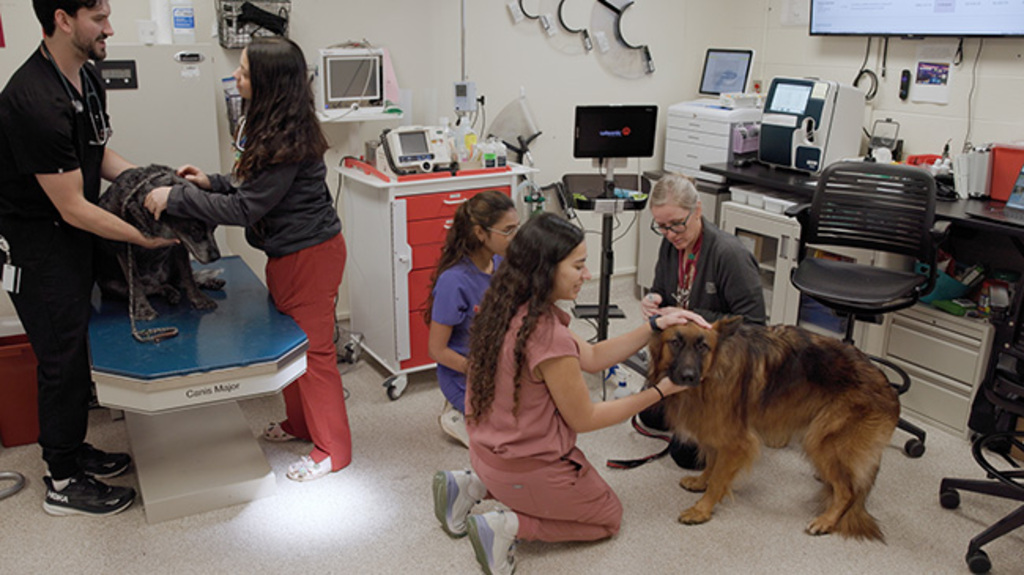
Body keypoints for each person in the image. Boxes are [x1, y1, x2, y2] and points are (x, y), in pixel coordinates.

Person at [431, 213, 710, 574]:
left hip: (485, 453)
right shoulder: (548, 336)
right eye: (578, 266)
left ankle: (471, 485)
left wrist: (652, 326)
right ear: (546, 268)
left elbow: (592, 358)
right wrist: (660, 391)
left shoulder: (506, 305)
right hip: (525, 468)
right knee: (607, 518)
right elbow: (586, 418)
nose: (588, 275)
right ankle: (508, 526)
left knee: (567, 490)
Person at [0, 0, 178, 516]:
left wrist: (151, 183)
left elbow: (98, 156)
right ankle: (61, 480)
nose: (110, 29)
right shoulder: (32, 100)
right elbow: (73, 204)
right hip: (37, 244)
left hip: (68, 231)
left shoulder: (87, 78)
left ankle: (73, 450)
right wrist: (143, 237)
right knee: (60, 359)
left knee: (78, 349)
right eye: (98, 19)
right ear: (61, 19)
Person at [145, 37, 350, 482]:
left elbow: (245, 209)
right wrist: (210, 182)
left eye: (243, 72)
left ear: (269, 82)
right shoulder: (274, 124)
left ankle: (333, 450)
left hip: (309, 255)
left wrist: (178, 199)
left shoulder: (288, 136)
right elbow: (249, 186)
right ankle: (300, 425)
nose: (235, 78)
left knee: (314, 354)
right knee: (293, 349)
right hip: (290, 252)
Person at [639, 171, 766, 469]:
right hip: (683, 352)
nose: (671, 234)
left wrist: (691, 316)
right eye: (662, 227)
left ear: (697, 210)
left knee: (686, 457)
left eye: (677, 224)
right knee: (650, 414)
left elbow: (756, 327)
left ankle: (737, 422)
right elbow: (663, 290)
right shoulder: (672, 244)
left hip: (717, 364)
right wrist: (654, 300)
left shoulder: (729, 254)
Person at [425, 190, 519, 448]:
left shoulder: (501, 263)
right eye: (508, 230)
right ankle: (457, 413)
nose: (515, 237)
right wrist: (481, 371)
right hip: (465, 372)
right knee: (506, 444)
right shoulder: (453, 282)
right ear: (480, 233)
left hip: (497, 364)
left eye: (516, 228)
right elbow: (437, 350)